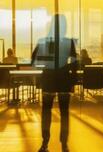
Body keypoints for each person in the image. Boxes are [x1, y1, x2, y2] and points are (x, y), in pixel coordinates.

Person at [32, 14, 77, 152]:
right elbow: (75, 63)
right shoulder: (69, 42)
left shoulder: (43, 41)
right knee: (64, 112)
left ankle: (45, 143)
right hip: (63, 78)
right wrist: (69, 74)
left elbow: (34, 61)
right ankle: (64, 144)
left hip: (49, 78)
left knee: (46, 111)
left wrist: (47, 64)